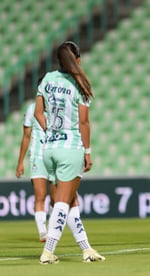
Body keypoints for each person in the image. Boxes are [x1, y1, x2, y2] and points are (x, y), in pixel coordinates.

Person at [34, 41, 105, 264]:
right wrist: (88, 151)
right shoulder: (80, 84)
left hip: (49, 149)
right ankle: (48, 251)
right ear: (78, 60)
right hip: (71, 148)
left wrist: (51, 131)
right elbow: (84, 122)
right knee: (63, 202)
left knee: (71, 200)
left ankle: (86, 249)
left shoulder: (47, 79)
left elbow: (38, 113)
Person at [16, 101, 56, 242]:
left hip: (55, 156)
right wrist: (20, 162)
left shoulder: (57, 105)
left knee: (55, 199)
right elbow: (26, 136)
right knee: (40, 195)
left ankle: (52, 230)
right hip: (37, 157)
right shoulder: (32, 108)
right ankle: (43, 233)